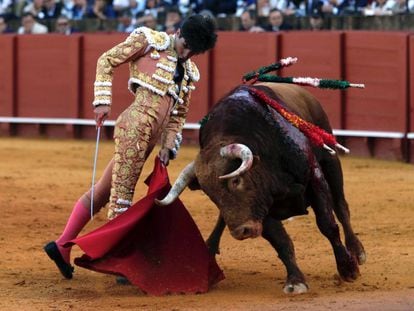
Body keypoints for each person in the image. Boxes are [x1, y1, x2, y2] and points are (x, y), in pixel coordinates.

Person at [44, 13, 217, 280]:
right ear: (179, 32)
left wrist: (168, 145)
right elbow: (107, 59)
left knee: (104, 190)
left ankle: (62, 245)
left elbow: (178, 114)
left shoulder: (190, 71)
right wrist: (102, 100)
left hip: (149, 139)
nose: (189, 53)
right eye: (187, 46)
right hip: (135, 128)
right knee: (122, 197)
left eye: (195, 51)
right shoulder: (149, 41)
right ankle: (117, 261)